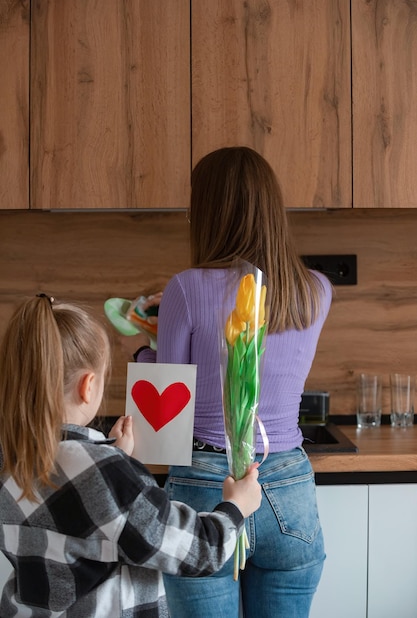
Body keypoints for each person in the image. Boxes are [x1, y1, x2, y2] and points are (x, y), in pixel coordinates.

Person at [129, 146, 333, 617]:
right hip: (288, 486)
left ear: (208, 213)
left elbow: (167, 401)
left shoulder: (185, 287)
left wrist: (146, 346)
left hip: (205, 485)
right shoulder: (316, 291)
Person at [0, 294, 262, 617]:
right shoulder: (107, 475)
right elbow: (200, 550)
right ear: (88, 386)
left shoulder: (10, 458)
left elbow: (73, 512)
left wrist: (112, 457)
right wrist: (236, 507)